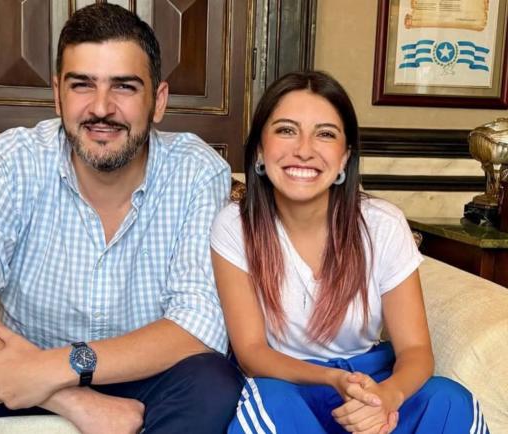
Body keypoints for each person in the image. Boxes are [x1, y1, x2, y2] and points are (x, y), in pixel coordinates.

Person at [0, 4, 243, 434]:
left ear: (158, 101)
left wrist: (61, 367)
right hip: (16, 366)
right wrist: (71, 398)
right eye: (82, 85)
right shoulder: (16, 158)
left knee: (212, 383)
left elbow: (198, 327)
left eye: (124, 87)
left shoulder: (197, 171)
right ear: (57, 95)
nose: (101, 108)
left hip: (141, 373)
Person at [210, 71, 489, 434]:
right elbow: (251, 353)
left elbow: (416, 349)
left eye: (325, 134)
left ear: (345, 158)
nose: (304, 150)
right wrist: (332, 379)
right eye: (286, 130)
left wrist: (387, 397)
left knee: (449, 399)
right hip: (289, 384)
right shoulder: (235, 226)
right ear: (261, 150)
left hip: (370, 383)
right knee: (270, 403)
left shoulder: (382, 224)